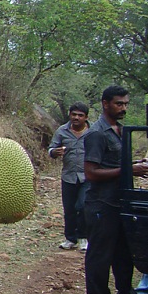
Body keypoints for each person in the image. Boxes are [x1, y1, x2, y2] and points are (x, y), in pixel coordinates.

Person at [83, 85, 148, 294]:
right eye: (118, 104)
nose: (123, 108)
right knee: (100, 255)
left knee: (124, 254)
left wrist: (138, 164)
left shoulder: (121, 130)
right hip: (102, 204)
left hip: (123, 202)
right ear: (105, 103)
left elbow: (117, 164)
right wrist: (129, 170)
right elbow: (92, 173)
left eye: (125, 104)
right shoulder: (96, 134)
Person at [47, 102, 90, 251]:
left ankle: (84, 237)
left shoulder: (93, 131)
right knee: (70, 208)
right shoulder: (62, 131)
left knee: (83, 206)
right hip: (68, 176)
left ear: (86, 117)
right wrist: (54, 152)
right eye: (74, 114)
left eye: (80, 115)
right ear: (70, 115)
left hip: (88, 176)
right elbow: (51, 148)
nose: (76, 118)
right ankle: (70, 239)